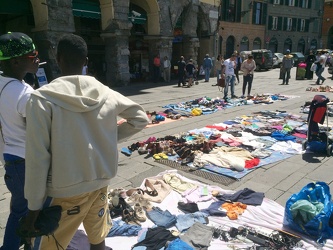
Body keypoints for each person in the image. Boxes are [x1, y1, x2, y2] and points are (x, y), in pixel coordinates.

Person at [22, 34, 150, 249]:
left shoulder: (42, 99)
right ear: (87, 61)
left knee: (49, 244)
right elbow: (140, 119)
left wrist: (33, 209)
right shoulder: (107, 93)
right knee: (97, 238)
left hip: (64, 191)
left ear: (58, 58)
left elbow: (37, 158)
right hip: (100, 183)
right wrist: (107, 138)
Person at [0, 32, 39, 250]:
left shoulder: (5, 83)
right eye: (32, 54)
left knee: (19, 210)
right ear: (16, 61)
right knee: (26, 212)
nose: (36, 58)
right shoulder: (24, 93)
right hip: (25, 161)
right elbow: (40, 130)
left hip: (10, 158)